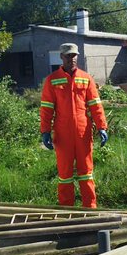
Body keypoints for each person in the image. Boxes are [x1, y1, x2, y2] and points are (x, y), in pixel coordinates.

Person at [39, 42, 108, 208]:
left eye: (74, 55)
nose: (72, 58)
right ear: (61, 57)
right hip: (62, 134)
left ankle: (90, 209)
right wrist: (45, 131)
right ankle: (66, 210)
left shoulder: (86, 79)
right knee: (65, 175)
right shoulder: (52, 80)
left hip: (83, 132)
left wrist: (102, 127)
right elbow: (47, 109)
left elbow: (95, 105)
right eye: (68, 56)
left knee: (86, 173)